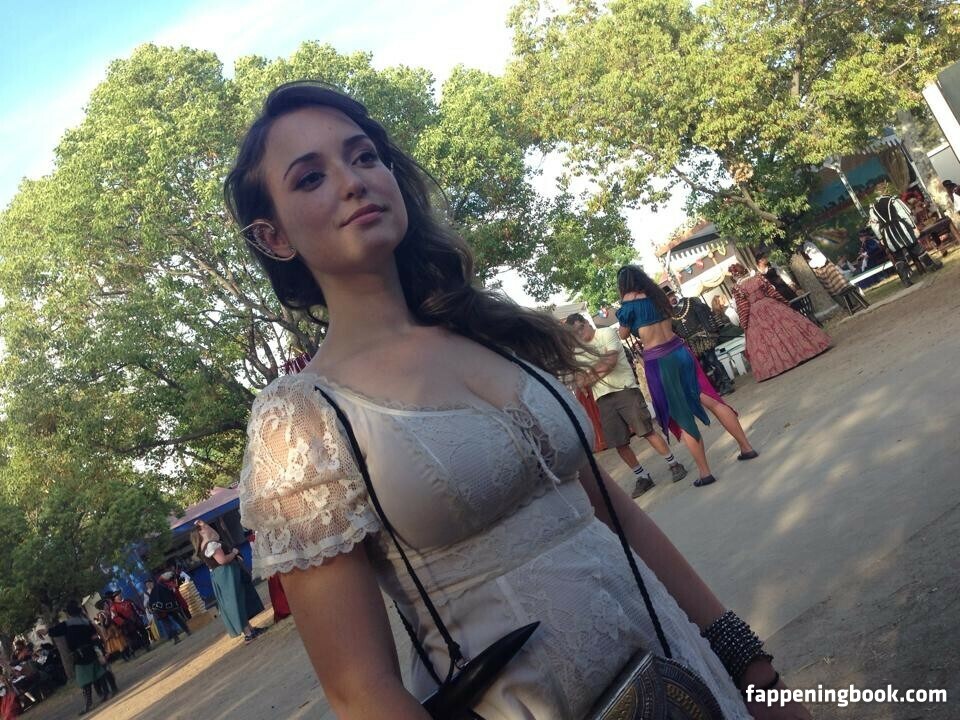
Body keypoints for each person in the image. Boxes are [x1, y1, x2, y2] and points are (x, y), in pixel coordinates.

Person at [228, 82, 808, 719]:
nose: (352, 181)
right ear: (273, 237)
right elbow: (359, 688)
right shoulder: (300, 420)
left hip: (679, 678)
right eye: (311, 177)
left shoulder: (490, 330)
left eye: (364, 156)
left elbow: (607, 511)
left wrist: (749, 667)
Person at [616, 266, 757, 487]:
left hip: (659, 361)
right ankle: (746, 448)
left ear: (623, 284)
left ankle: (705, 473)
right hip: (680, 350)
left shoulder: (628, 303)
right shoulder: (657, 296)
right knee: (712, 399)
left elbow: (623, 334)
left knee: (682, 416)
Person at [565, 313, 688, 495]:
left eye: (580, 329)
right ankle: (642, 476)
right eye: (574, 333)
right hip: (602, 398)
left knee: (646, 431)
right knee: (618, 442)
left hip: (625, 389)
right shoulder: (578, 351)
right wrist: (593, 374)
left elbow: (610, 362)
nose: (579, 335)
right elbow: (579, 379)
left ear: (586, 323)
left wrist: (590, 376)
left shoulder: (606, 333)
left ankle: (674, 463)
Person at [729, 263, 831, 381]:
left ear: (735, 275)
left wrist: (744, 323)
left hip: (755, 312)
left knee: (766, 339)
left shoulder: (738, 288)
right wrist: (783, 302)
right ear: (744, 270)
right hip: (770, 304)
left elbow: (743, 307)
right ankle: (805, 351)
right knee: (788, 327)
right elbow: (772, 292)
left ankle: (780, 364)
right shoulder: (758, 277)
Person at [191, 520, 264, 644]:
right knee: (236, 602)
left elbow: (215, 536)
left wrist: (202, 524)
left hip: (223, 575)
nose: (209, 527)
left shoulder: (205, 545)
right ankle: (248, 633)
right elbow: (222, 560)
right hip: (226, 574)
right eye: (206, 527)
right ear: (201, 532)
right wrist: (234, 553)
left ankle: (250, 629)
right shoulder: (210, 545)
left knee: (237, 601)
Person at [49, 600, 118, 716]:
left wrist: (46, 630)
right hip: (91, 651)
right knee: (99, 673)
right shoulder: (86, 622)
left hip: (80, 655)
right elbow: (95, 637)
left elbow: (53, 632)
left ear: (69, 613)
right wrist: (100, 650)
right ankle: (105, 692)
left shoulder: (67, 624)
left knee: (85, 680)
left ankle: (90, 702)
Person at [663, 288, 735, 396]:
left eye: (671, 295)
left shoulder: (690, 301)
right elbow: (673, 331)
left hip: (703, 338)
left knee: (712, 360)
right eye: (668, 297)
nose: (671, 298)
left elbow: (706, 316)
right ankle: (716, 386)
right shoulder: (669, 315)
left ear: (674, 294)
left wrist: (710, 331)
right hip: (690, 344)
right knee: (702, 366)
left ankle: (726, 382)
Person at [868, 191, 943, 286]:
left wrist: (880, 237)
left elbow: (874, 225)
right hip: (902, 228)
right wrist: (913, 227)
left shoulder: (873, 208)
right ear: (885, 192)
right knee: (916, 248)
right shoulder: (894, 200)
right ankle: (932, 266)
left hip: (888, 233)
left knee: (898, 256)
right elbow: (905, 214)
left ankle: (905, 280)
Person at [802, 247, 869, 315]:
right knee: (842, 290)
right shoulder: (817, 263)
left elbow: (821, 261)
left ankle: (853, 304)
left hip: (838, 283)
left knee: (844, 289)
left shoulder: (820, 260)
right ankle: (852, 304)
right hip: (837, 283)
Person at [145, 578, 192, 643]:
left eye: (149, 584)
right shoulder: (150, 593)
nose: (149, 586)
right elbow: (150, 603)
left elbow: (168, 593)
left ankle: (187, 630)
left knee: (177, 619)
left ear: (152, 583)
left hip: (169, 607)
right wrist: (152, 608)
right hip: (161, 611)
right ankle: (176, 638)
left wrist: (171, 603)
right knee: (168, 625)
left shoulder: (160, 587)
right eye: (147, 585)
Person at [108, 591, 151, 656]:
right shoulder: (113, 607)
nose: (119, 596)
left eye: (119, 594)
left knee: (143, 631)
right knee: (135, 637)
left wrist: (142, 612)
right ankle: (140, 647)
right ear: (114, 598)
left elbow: (136, 607)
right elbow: (114, 617)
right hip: (127, 624)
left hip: (136, 620)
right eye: (117, 596)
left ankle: (147, 644)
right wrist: (123, 622)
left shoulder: (128, 601)